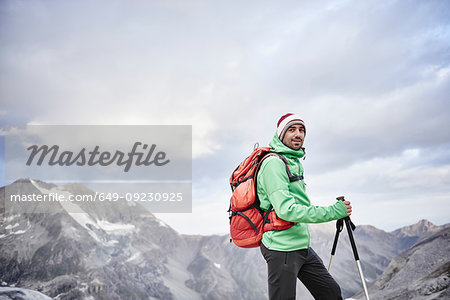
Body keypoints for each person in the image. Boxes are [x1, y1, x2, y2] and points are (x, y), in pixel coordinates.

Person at [257, 113, 352, 300]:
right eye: (291, 129)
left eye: (301, 130)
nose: (298, 134)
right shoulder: (273, 164)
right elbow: (287, 210)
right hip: (281, 247)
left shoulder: (293, 161)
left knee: (331, 292)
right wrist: (333, 212)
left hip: (300, 244)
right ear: (281, 134)